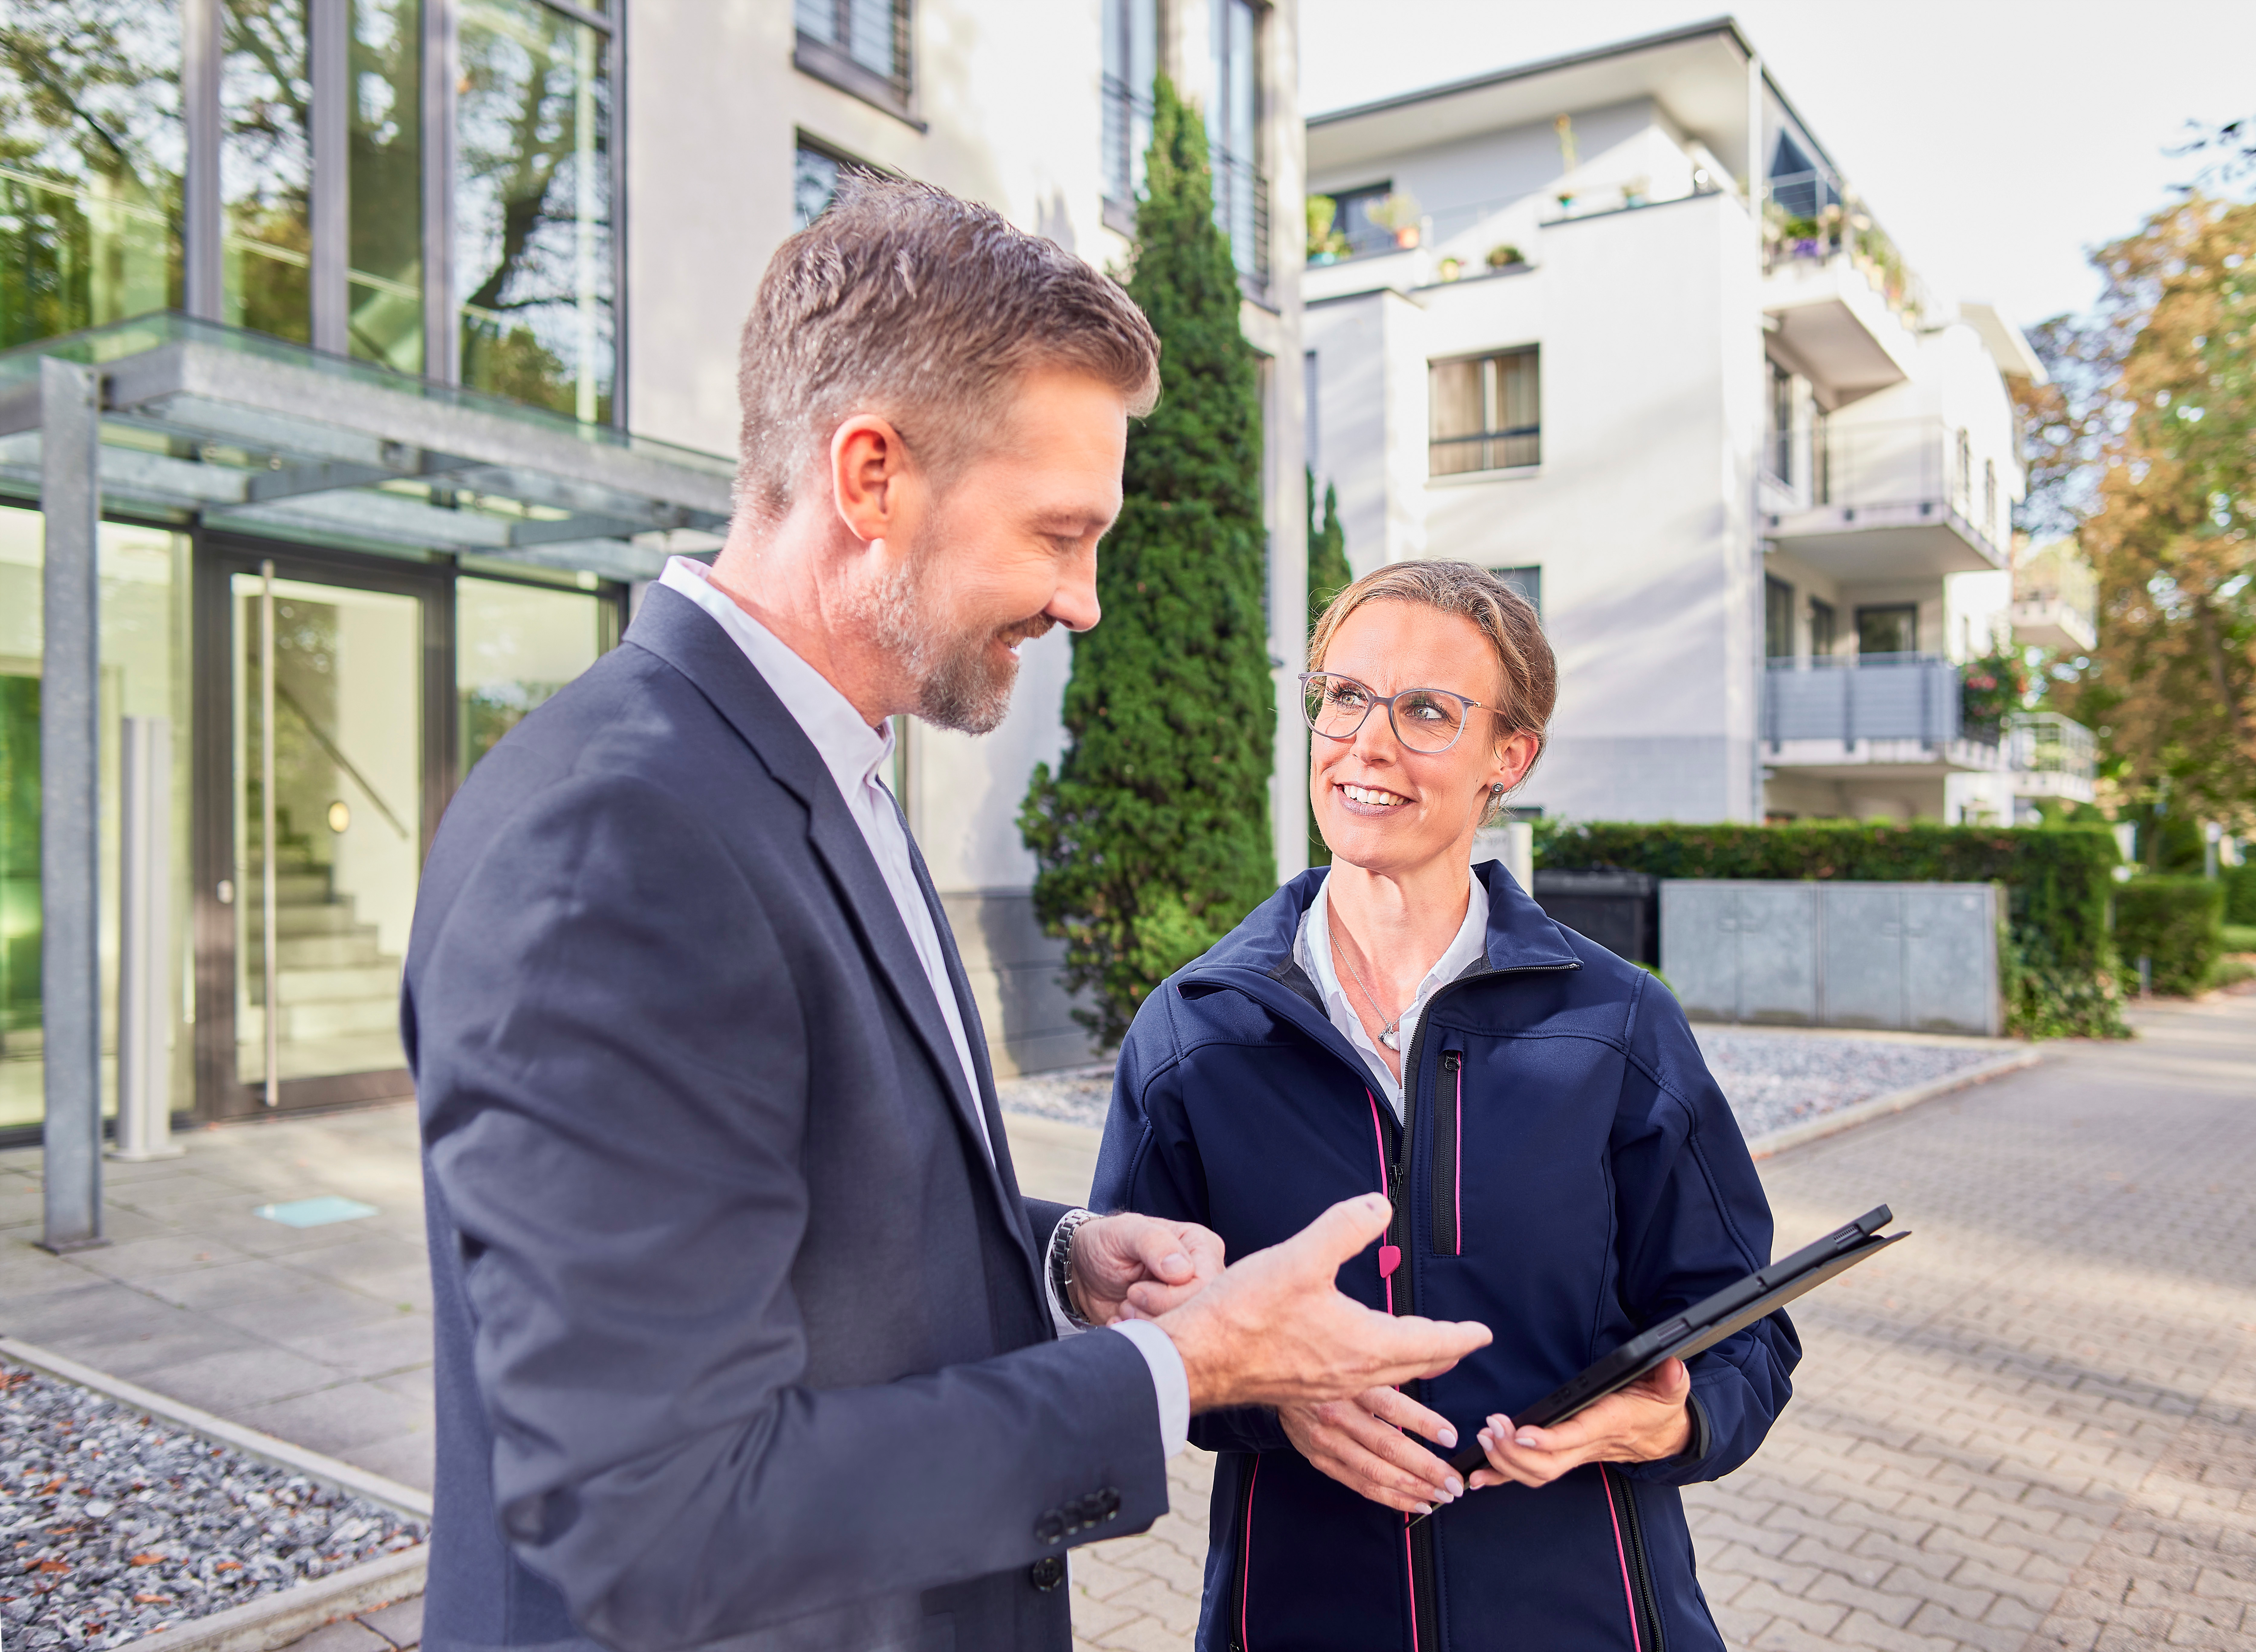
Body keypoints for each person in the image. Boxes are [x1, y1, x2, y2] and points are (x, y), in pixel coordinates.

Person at [403, 176, 1489, 1652]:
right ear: (871, 478)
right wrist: (1180, 1370)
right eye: (1057, 532)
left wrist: (1055, 1264)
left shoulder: (802, 766)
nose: (1088, 600)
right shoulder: (621, 841)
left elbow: (797, 1216)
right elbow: (644, 1516)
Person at [1091, 561, 1799, 1652]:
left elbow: (1746, 1322)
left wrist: (1683, 1415)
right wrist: (1273, 1397)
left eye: (1427, 711)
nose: (1368, 744)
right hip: (1297, 1617)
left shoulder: (1615, 1027)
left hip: (1590, 1613)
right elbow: (1139, 1333)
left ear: (1508, 756)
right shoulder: (1194, 1034)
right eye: (1345, 697)